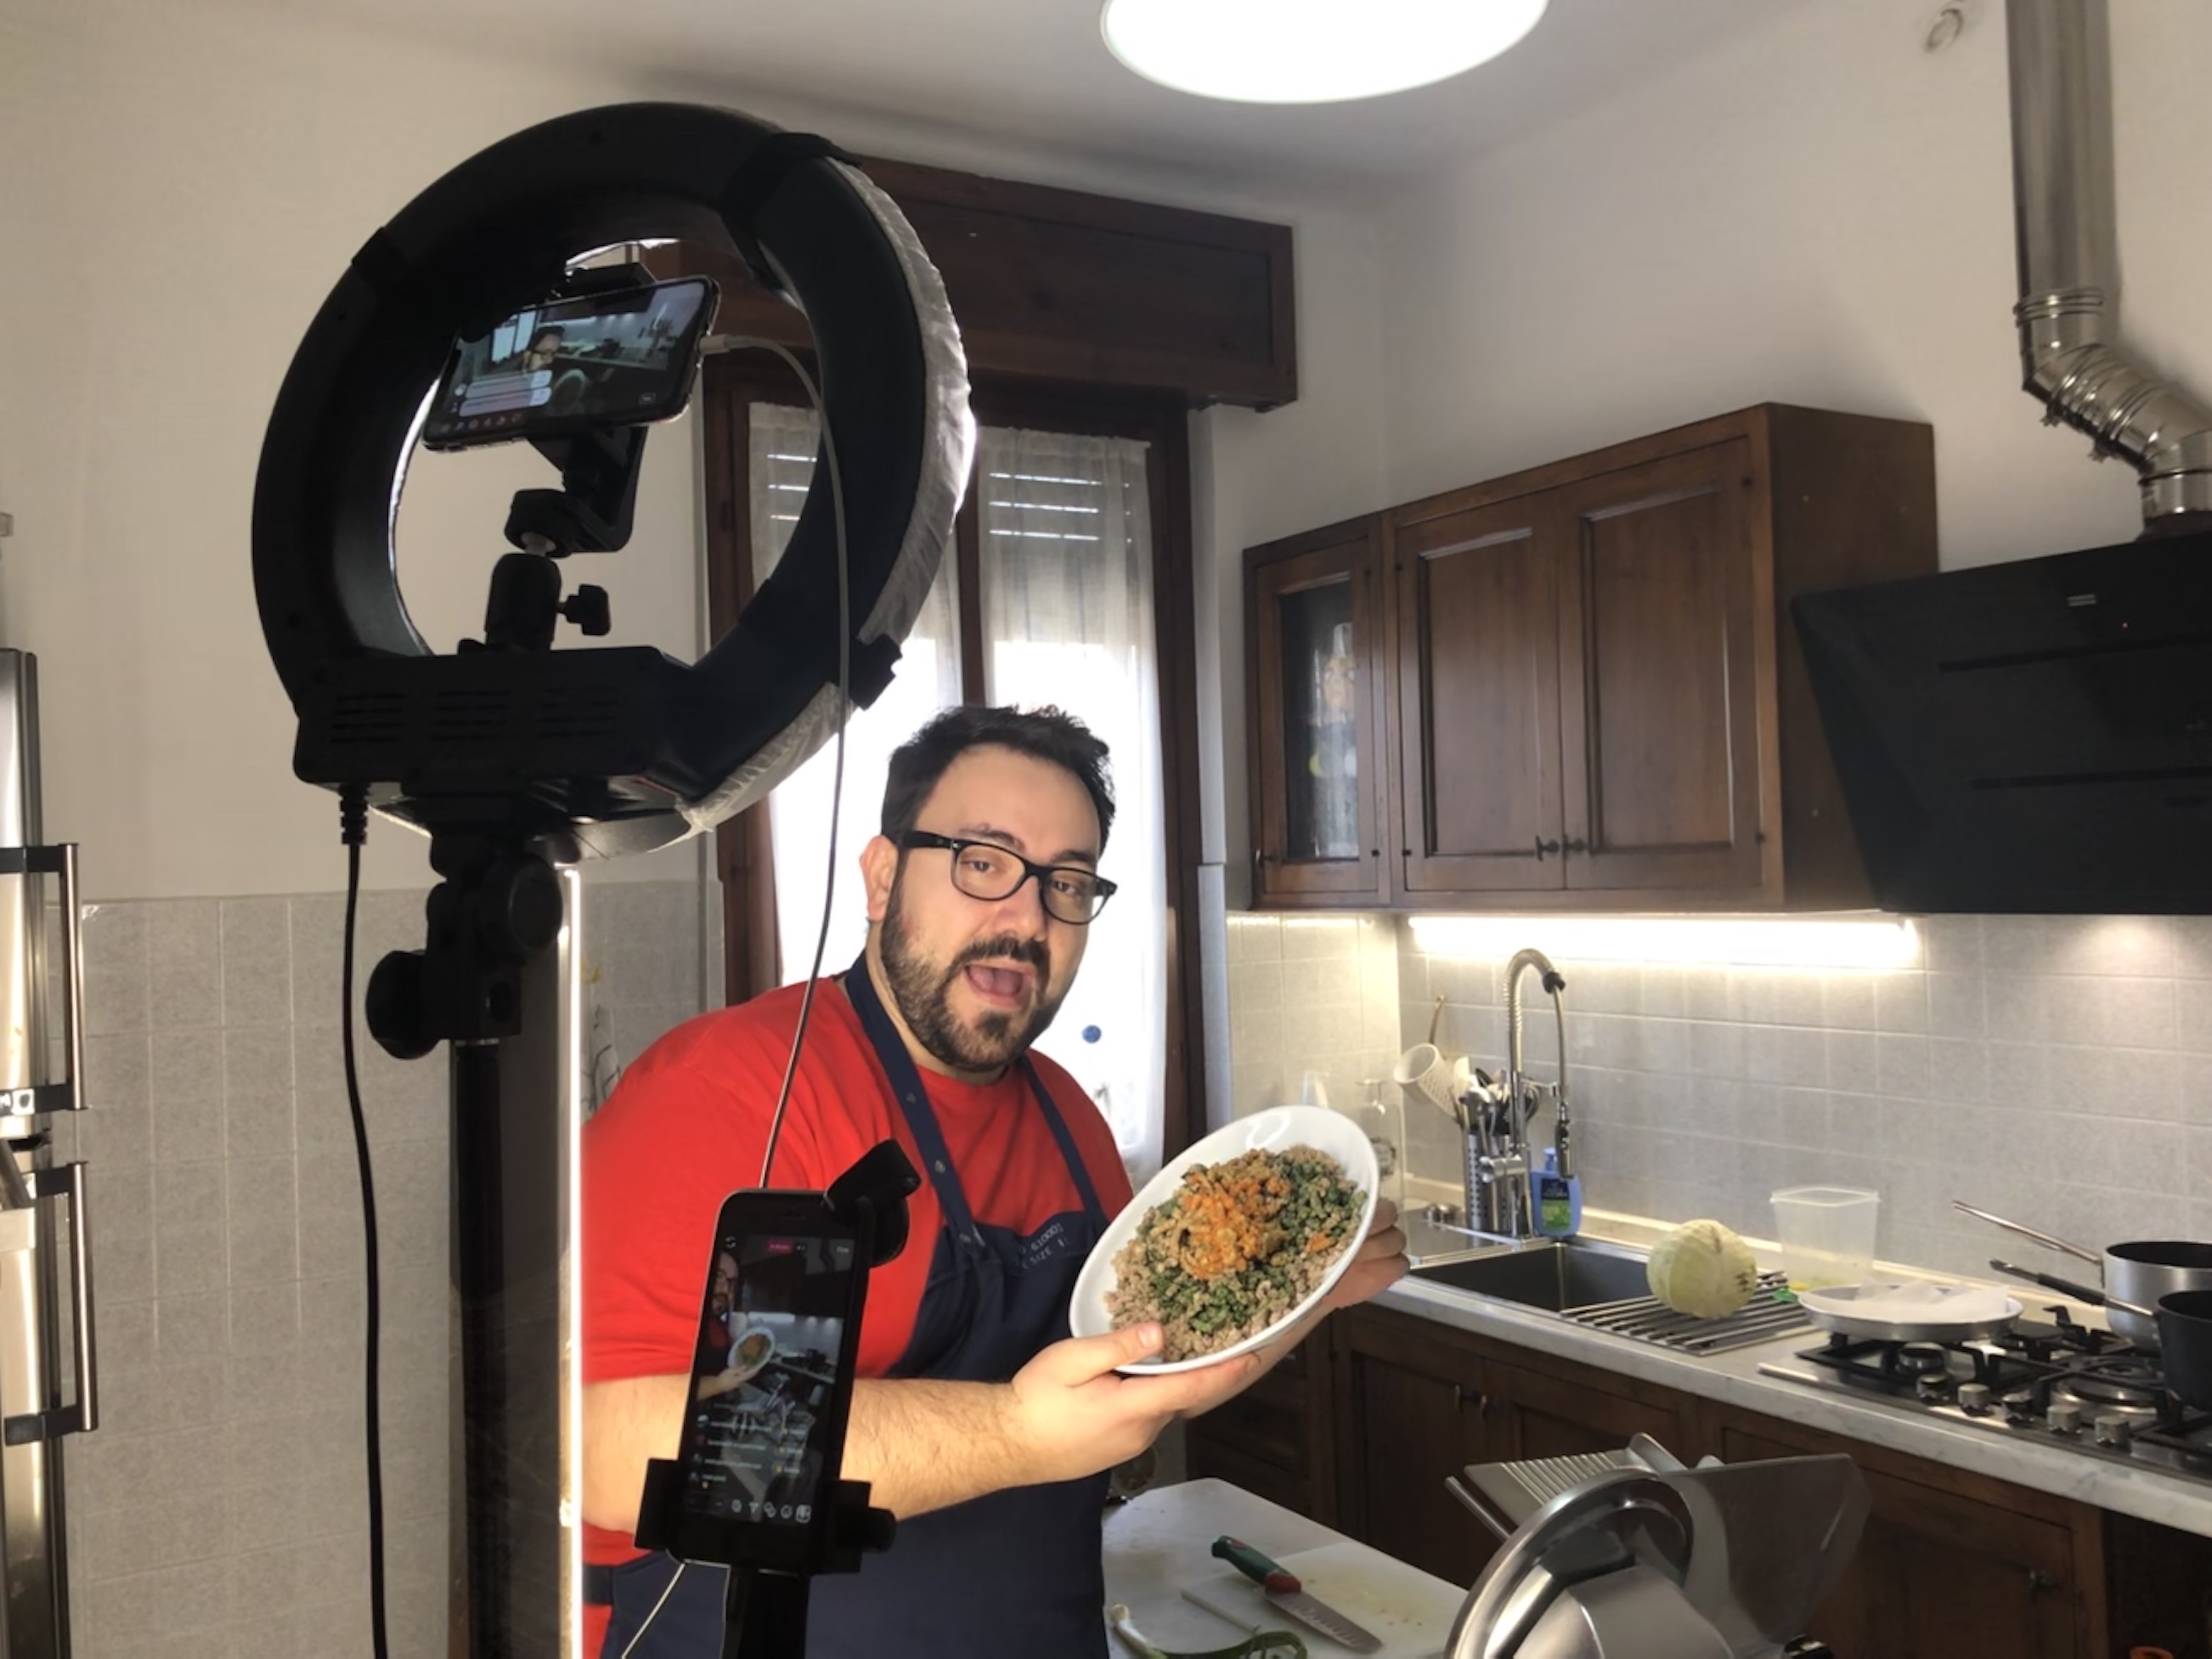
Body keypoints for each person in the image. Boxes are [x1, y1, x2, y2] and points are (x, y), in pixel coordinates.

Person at [580, 704, 1406, 1657]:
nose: (1026, 918)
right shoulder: (746, 1095)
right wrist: (1014, 1432)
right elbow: (611, 1451)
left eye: (1067, 882)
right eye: (982, 862)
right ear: (882, 878)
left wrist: (1300, 1290)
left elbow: (1136, 1384)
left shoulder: (1067, 1119)